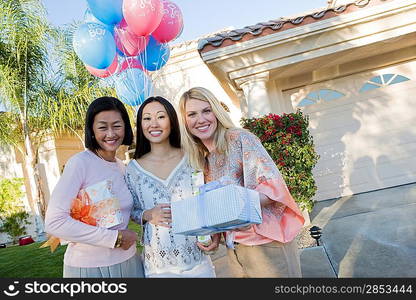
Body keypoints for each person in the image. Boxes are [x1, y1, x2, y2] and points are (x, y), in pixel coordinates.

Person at [178, 87, 305, 278]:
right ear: (185, 122)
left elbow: (272, 189)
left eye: (206, 110)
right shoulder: (203, 159)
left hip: (266, 244)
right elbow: (217, 207)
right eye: (192, 114)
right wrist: (215, 234)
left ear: (216, 111)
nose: (201, 119)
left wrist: (236, 205)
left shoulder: (239, 139)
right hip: (235, 249)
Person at [45, 96, 144, 278]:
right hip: (89, 269)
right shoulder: (80, 163)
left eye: (116, 125)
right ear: (91, 130)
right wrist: (115, 239)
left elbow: (124, 213)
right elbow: (54, 222)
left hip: (129, 262)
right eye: (102, 127)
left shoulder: (122, 167)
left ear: (125, 127)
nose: (110, 133)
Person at [125, 96, 216, 278]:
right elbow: (130, 211)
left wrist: (214, 233)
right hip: (159, 269)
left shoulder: (194, 157)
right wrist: (148, 214)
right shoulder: (133, 170)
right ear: (140, 125)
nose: (154, 124)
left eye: (161, 116)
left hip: (199, 262)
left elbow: (208, 199)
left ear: (172, 122)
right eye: (147, 118)